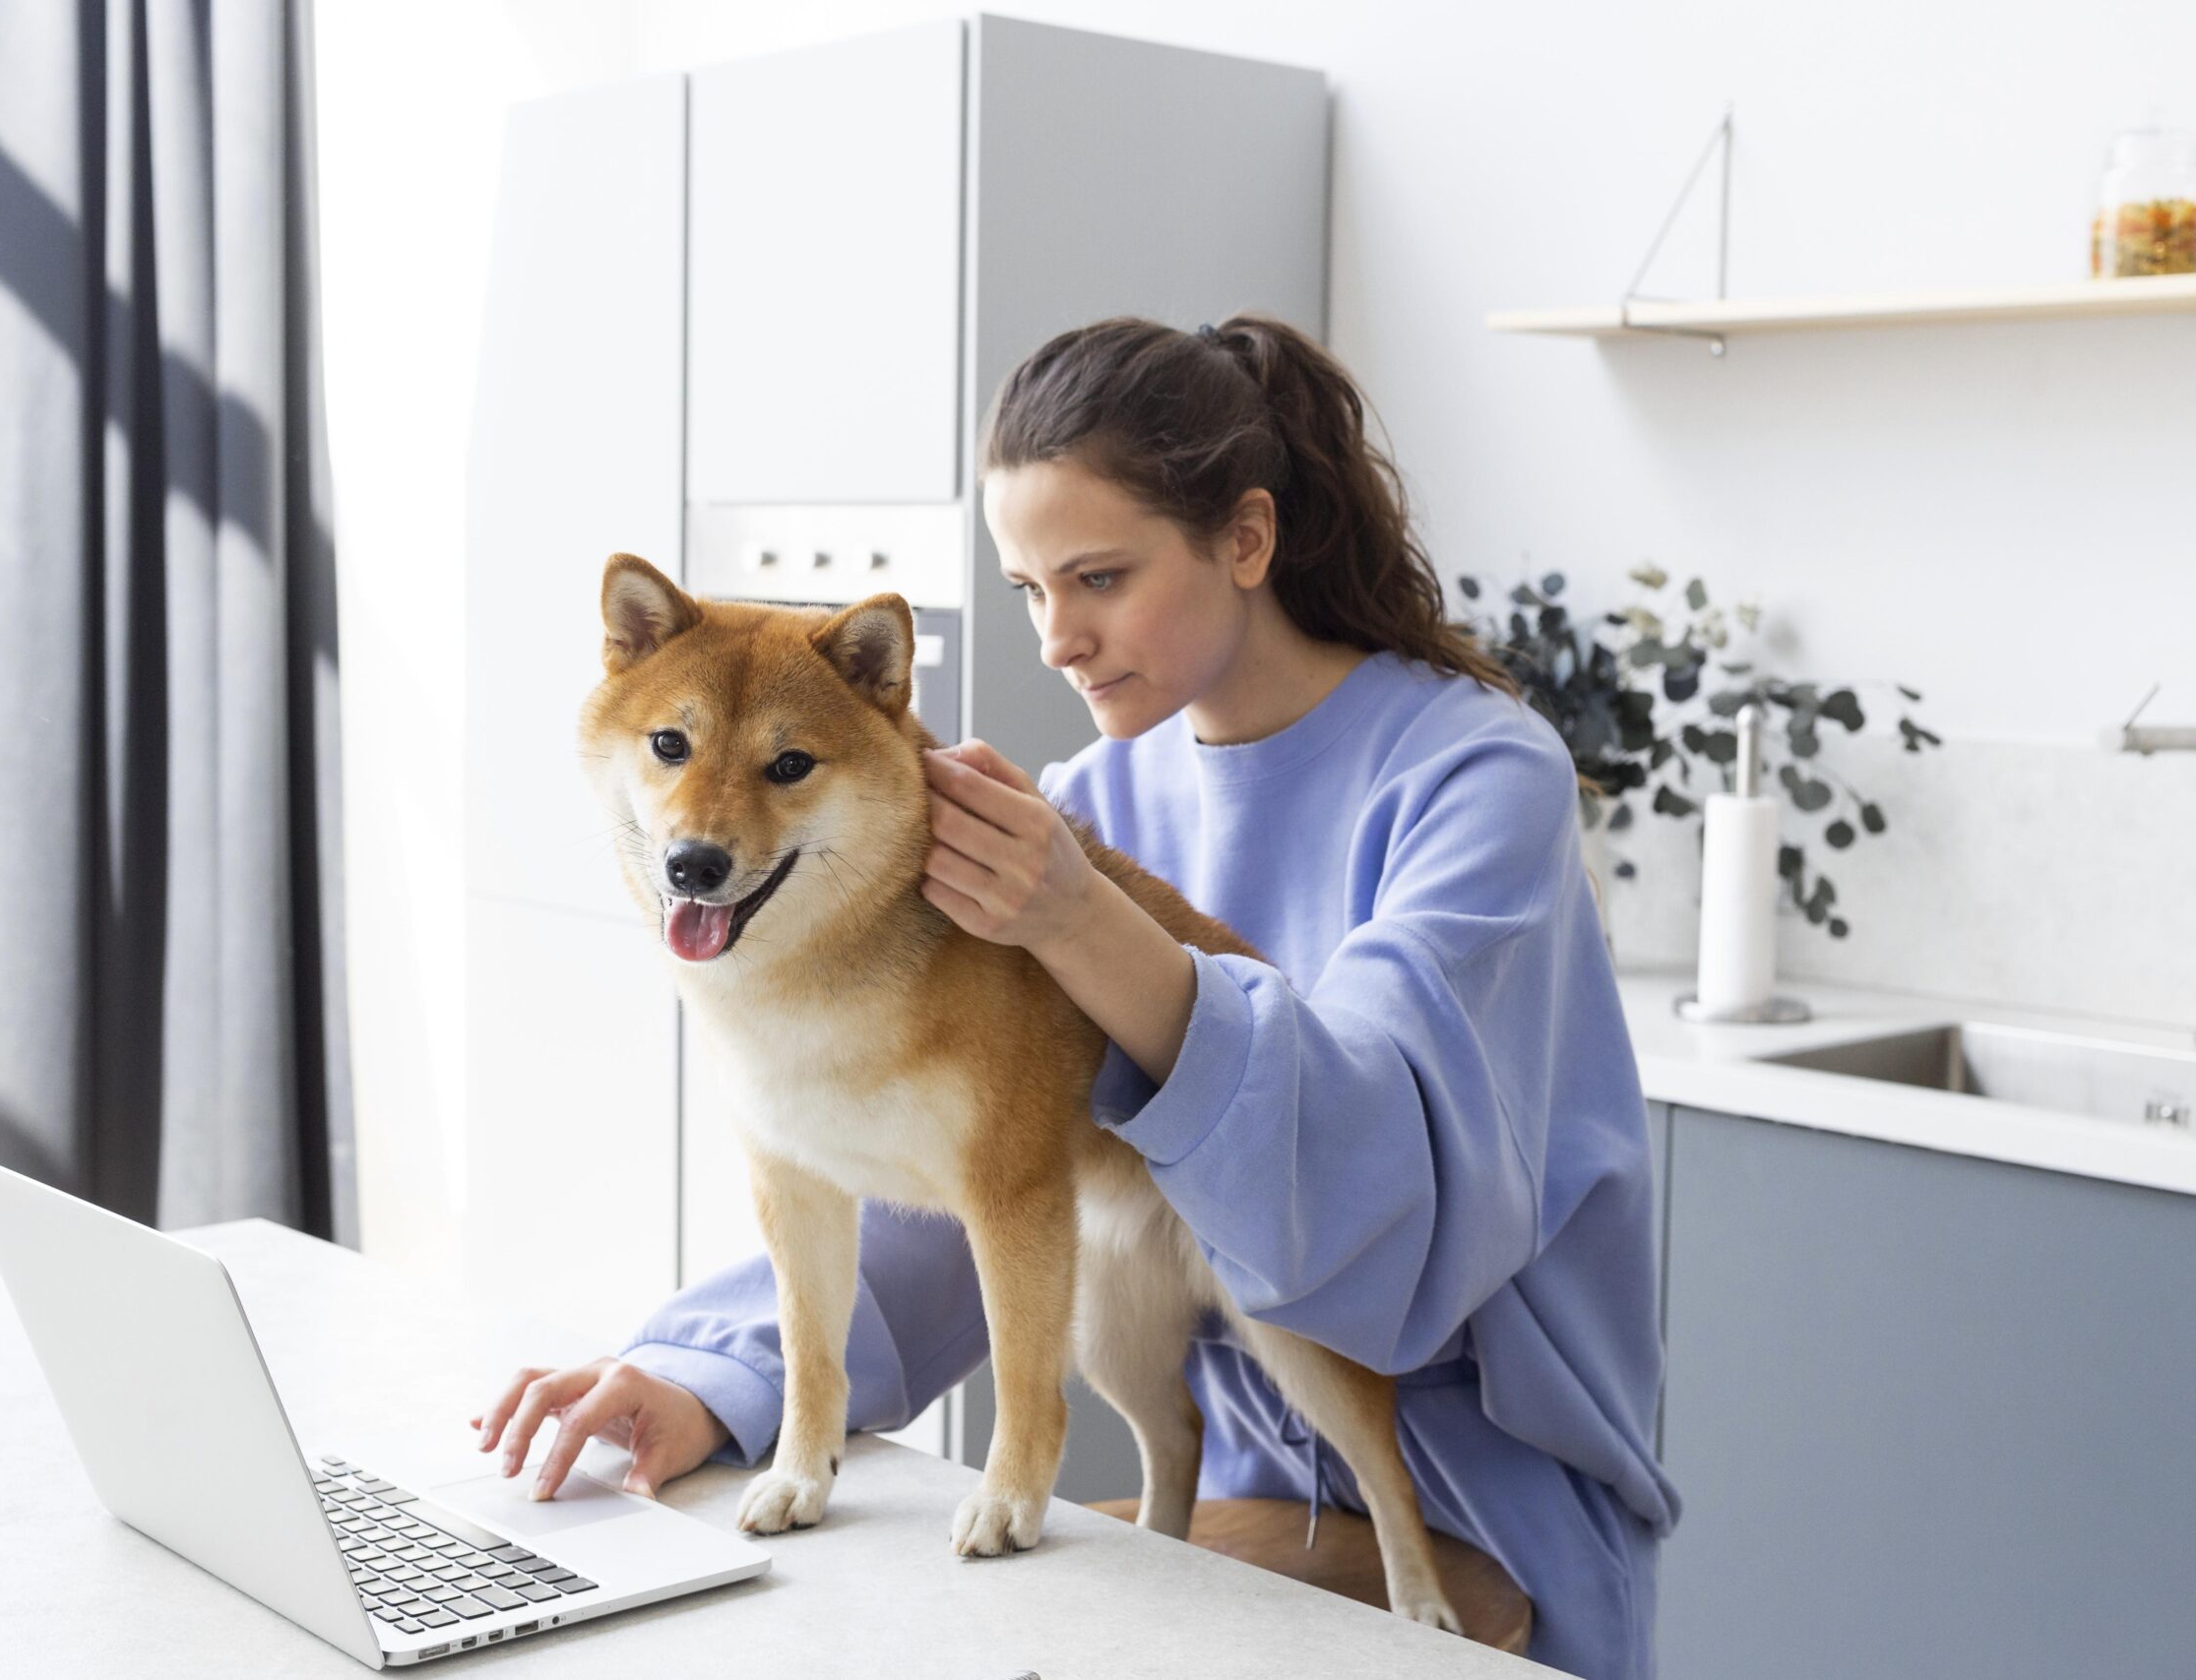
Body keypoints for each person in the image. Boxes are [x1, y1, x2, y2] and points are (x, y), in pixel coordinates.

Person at [470, 315, 1678, 1680]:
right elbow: (979, 1179)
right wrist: (716, 1375)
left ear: (1247, 539)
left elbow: (1378, 1207)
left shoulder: (1478, 779)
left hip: (1486, 1516)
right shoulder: (1096, 800)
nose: (1057, 639)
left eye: (1098, 576)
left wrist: (1087, 925)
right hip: (1220, 1515)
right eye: (1029, 588)